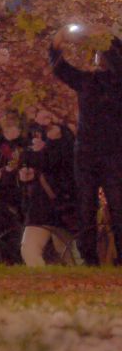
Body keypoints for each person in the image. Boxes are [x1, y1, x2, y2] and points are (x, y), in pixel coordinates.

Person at [49, 29, 122, 265]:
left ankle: (93, 259)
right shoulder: (89, 80)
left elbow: (61, 69)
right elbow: (61, 70)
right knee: (92, 207)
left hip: (103, 153)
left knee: (100, 206)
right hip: (97, 154)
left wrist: (59, 45)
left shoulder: (109, 81)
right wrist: (57, 45)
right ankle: (92, 258)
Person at [19, 124, 77, 266]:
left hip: (62, 207)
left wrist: (46, 148)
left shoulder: (67, 149)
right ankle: (42, 283)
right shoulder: (34, 154)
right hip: (40, 207)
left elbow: (59, 166)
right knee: (29, 250)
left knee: (70, 255)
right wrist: (26, 178)